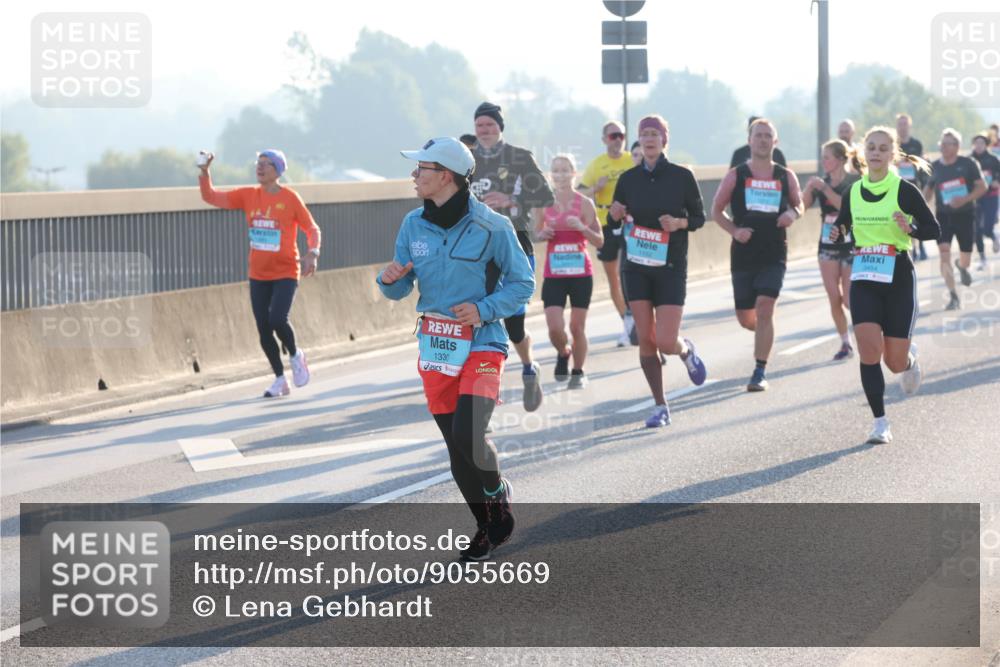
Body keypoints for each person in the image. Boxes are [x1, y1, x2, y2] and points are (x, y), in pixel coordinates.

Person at [378, 136, 533, 561]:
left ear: (445, 176)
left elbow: (522, 284)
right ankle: (485, 525)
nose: (414, 175)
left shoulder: (493, 227)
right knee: (455, 444)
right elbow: (403, 284)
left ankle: (497, 491)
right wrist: (391, 280)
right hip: (436, 346)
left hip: (483, 342)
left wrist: (483, 309)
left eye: (421, 169)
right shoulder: (413, 225)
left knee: (470, 431)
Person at [830, 126, 940, 444]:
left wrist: (911, 226)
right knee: (867, 349)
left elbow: (933, 229)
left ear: (892, 154)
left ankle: (909, 359)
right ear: (864, 153)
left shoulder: (904, 190)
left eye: (882, 148)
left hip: (898, 278)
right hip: (864, 276)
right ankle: (880, 422)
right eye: (871, 147)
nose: (876, 152)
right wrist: (838, 231)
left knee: (893, 363)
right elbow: (844, 221)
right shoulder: (853, 191)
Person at [608, 114, 708, 427]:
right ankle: (660, 405)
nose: (649, 139)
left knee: (665, 340)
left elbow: (699, 218)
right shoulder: (628, 179)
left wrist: (679, 223)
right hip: (636, 267)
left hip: (670, 266)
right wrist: (614, 214)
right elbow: (614, 220)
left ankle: (684, 349)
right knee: (646, 338)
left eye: (655, 133)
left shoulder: (681, 176)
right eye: (644, 134)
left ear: (665, 139)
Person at [198, 149, 320, 398]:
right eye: (258, 163)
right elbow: (210, 197)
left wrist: (313, 253)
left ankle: (296, 355)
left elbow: (311, 228)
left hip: (286, 269)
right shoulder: (248, 196)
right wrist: (204, 171)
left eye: (266, 164)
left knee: (277, 319)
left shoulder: (290, 198)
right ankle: (279, 379)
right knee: (263, 328)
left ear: (278, 170)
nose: (260, 168)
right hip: (259, 274)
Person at [469, 102, 554, 411]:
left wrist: (511, 198)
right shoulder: (469, 160)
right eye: (480, 125)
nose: (485, 130)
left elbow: (546, 195)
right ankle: (485, 392)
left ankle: (530, 367)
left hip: (514, 245)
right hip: (476, 251)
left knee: (514, 325)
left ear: (500, 127)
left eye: (490, 125)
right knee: (482, 321)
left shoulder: (519, 158)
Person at [712, 118, 804, 391]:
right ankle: (766, 333)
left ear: (775, 142)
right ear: (749, 141)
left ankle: (759, 370)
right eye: (758, 136)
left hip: (774, 251)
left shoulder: (785, 175)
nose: (763, 140)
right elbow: (716, 211)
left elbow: (799, 206)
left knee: (765, 307)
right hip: (743, 253)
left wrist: (791, 213)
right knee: (746, 318)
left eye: (768, 136)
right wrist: (734, 231)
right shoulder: (736, 175)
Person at [535, 155, 604, 388]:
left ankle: (578, 371)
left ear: (574, 173)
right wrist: (543, 235)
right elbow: (535, 234)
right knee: (555, 328)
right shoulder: (543, 203)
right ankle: (563, 352)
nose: (561, 174)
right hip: (554, 275)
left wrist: (582, 228)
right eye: (556, 170)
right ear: (550, 175)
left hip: (580, 274)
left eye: (566, 170)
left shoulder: (585, 203)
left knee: (577, 327)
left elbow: (600, 241)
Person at [578, 121, 637, 347]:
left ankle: (635, 318)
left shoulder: (632, 159)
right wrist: (595, 188)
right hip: (605, 223)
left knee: (626, 273)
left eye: (621, 135)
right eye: (613, 136)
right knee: (614, 279)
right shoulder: (596, 165)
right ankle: (627, 324)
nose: (618, 139)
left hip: (630, 223)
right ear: (604, 139)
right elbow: (580, 192)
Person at [802, 139, 861, 360]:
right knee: (833, 297)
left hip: (850, 245)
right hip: (827, 246)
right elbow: (801, 207)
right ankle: (846, 343)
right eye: (822, 157)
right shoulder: (821, 183)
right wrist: (808, 190)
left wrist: (825, 189)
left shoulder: (855, 181)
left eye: (827, 157)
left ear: (840, 159)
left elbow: (846, 207)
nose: (823, 161)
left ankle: (869, 329)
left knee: (848, 299)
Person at [923, 128, 987, 310]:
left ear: (957, 146)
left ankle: (963, 266)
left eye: (946, 144)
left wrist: (964, 199)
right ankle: (953, 295)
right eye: (941, 144)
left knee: (965, 255)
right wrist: (919, 206)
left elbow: (982, 187)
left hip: (965, 215)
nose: (942, 147)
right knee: (944, 253)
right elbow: (928, 190)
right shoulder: (934, 166)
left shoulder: (968, 163)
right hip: (943, 215)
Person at [895, 113, 928, 260]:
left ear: (909, 126)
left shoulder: (916, 144)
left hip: (914, 185)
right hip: (897, 187)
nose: (903, 127)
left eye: (905, 124)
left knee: (917, 217)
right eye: (900, 124)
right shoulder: (893, 144)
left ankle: (920, 247)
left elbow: (922, 164)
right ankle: (910, 248)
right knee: (903, 218)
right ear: (897, 126)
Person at [970, 132, 1000, 261]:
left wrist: (997, 182)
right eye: (976, 143)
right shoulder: (969, 160)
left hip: (991, 196)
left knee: (987, 228)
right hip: (975, 198)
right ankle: (982, 257)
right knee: (977, 229)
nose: (978, 145)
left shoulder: (993, 159)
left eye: (981, 143)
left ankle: (994, 237)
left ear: (986, 145)